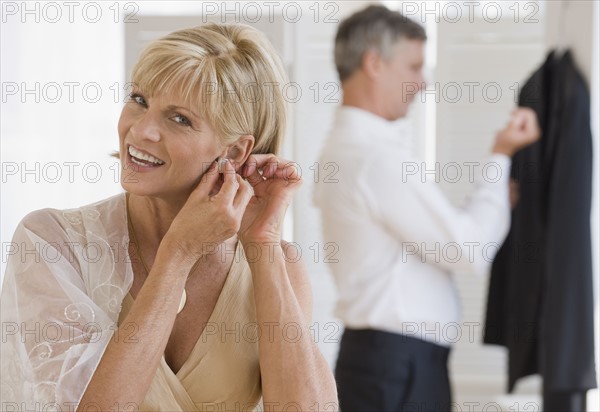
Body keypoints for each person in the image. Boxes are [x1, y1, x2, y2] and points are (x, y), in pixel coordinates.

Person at [0, 23, 337, 411]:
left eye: (179, 119)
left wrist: (263, 244)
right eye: (139, 99)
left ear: (234, 152)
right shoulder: (51, 243)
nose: (140, 131)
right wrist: (177, 255)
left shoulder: (277, 263)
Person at [313, 5, 540, 412]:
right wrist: (501, 153)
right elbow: (468, 249)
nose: (422, 83)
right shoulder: (373, 158)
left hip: (386, 363)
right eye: (414, 67)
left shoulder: (348, 150)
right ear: (374, 63)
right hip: (396, 367)